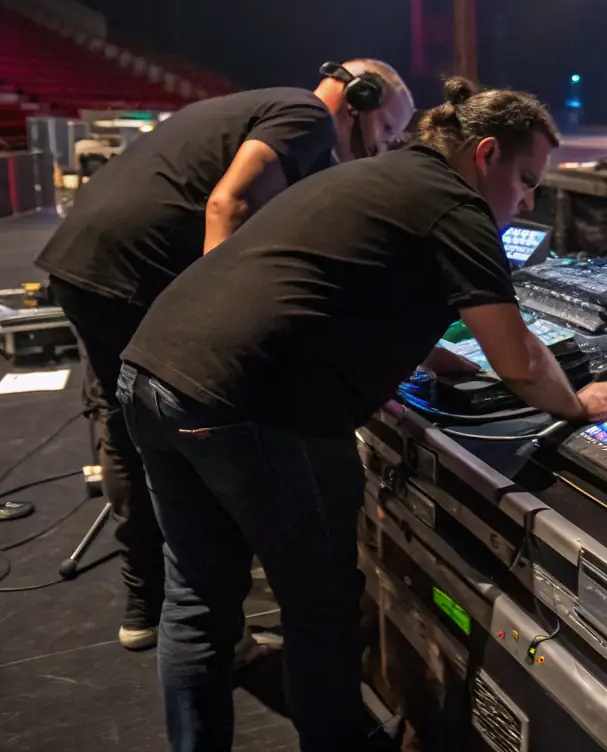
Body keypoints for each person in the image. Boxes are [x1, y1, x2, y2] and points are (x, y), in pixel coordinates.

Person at [116, 79, 607, 752]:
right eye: (526, 181)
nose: (527, 202)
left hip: (150, 371)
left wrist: (430, 355)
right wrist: (579, 403)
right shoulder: (457, 205)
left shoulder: (378, 175)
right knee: (319, 608)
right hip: (251, 404)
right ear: (486, 154)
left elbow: (335, 278)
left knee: (197, 603)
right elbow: (521, 361)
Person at [35, 60, 414, 652]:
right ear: (360, 100)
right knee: (204, 429)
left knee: (126, 433)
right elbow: (227, 206)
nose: (384, 146)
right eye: (388, 129)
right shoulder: (308, 114)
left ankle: (145, 608)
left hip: (83, 265)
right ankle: (218, 621)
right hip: (136, 269)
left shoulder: (261, 107)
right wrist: (217, 310)